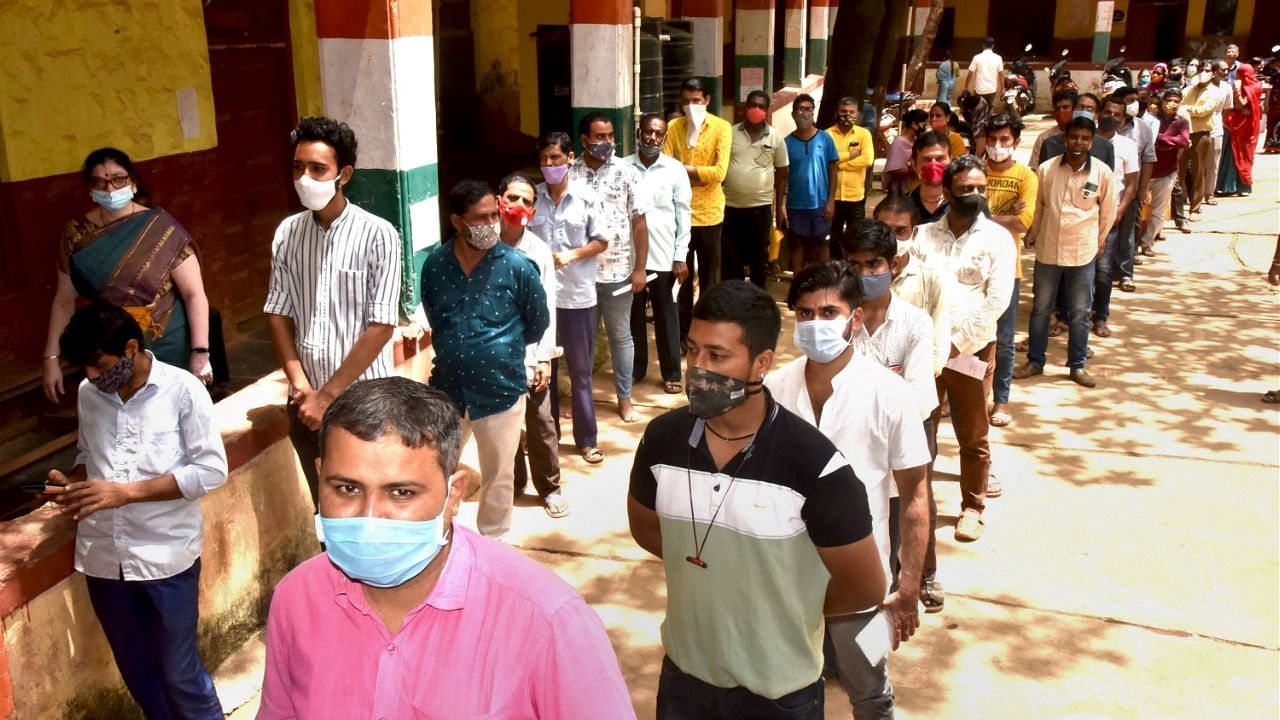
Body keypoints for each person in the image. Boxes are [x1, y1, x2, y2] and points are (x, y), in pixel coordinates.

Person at [258, 378, 634, 719]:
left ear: (453, 494)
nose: (370, 516)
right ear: (319, 476)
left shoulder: (548, 622)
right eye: (347, 489)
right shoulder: (296, 599)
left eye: (401, 493)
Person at [628, 281, 885, 719]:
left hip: (780, 695)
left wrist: (789, 603)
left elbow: (864, 586)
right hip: (684, 680)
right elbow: (649, 529)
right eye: (692, 351)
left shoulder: (815, 466)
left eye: (718, 355)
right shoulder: (662, 440)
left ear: (761, 363)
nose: (697, 368)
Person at [767, 260, 931, 719]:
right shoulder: (773, 391)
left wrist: (908, 587)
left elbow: (915, 497)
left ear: (855, 319)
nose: (814, 324)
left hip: (864, 582)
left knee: (870, 692)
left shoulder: (889, 394)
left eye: (828, 313)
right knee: (784, 689)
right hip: (783, 578)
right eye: (803, 314)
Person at [48, 302, 227, 719]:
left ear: (130, 348)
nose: (92, 376)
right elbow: (89, 456)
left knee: (179, 675)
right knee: (139, 674)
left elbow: (211, 471)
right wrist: (71, 483)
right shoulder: (89, 394)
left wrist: (126, 494)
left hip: (166, 558)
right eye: (84, 368)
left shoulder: (183, 390)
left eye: (99, 364)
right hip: (104, 560)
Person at [265, 116, 401, 507]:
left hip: (363, 402)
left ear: (343, 174)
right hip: (305, 404)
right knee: (326, 507)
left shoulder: (378, 234)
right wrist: (303, 388)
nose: (304, 177)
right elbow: (277, 312)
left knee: (371, 505)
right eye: (297, 167)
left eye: (317, 169)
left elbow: (381, 326)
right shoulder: (287, 233)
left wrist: (328, 396)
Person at [421, 179, 550, 540]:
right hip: (448, 392)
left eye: (495, 215)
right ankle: (436, 543)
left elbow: (537, 322)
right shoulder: (435, 265)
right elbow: (436, 318)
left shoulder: (518, 267)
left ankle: (493, 550)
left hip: (501, 391)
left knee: (498, 477)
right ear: (458, 223)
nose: (493, 224)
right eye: (481, 218)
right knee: (433, 472)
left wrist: (496, 350)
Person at [44, 148, 214, 405]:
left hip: (165, 338)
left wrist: (200, 353)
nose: (110, 189)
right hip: (109, 347)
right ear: (90, 189)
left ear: (133, 183)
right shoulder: (77, 235)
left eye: (118, 179)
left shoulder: (161, 228)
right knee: (120, 419)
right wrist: (51, 358)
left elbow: (194, 293)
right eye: (100, 182)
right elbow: (64, 300)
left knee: (173, 411)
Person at [915, 155, 1015, 543]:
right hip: (923, 351)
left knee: (972, 434)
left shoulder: (997, 239)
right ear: (947, 191)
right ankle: (918, 502)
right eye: (965, 189)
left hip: (969, 352)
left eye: (979, 188)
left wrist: (954, 345)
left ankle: (972, 507)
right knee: (921, 430)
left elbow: (997, 302)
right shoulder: (924, 237)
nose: (974, 195)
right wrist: (928, 345)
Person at [870, 194, 950, 611]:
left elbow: (940, 333)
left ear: (912, 233)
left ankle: (925, 573)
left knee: (917, 496)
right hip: (868, 415)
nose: (892, 239)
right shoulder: (859, 278)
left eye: (900, 232)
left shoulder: (928, 277)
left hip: (916, 407)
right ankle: (884, 572)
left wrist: (926, 380)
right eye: (884, 230)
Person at [1017, 117, 1117, 389]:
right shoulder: (1047, 169)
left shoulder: (1102, 173)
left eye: (1085, 138)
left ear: (1091, 142)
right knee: (1041, 309)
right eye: (1074, 137)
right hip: (1048, 250)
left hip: (1082, 252)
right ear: (1065, 138)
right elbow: (1038, 204)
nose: (1078, 143)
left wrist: (1099, 240)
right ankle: (1035, 361)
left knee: (1079, 312)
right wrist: (1033, 231)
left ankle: (1077, 365)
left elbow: (1108, 213)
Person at [528, 132, 608, 465]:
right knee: (543, 371)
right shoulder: (532, 198)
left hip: (577, 297)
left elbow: (601, 241)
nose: (550, 165)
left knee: (580, 372)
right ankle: (549, 438)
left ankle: (587, 439)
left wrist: (572, 255)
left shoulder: (587, 197)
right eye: (544, 159)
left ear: (569, 158)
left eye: (556, 159)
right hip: (541, 301)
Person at [569, 113, 651, 424]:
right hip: (580, 276)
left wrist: (640, 268)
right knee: (583, 342)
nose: (607, 142)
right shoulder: (570, 174)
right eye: (600, 137)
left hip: (618, 273)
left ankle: (625, 398)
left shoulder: (628, 173)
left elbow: (640, 224)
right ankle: (582, 400)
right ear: (585, 140)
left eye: (610, 136)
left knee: (620, 337)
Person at [495, 174, 569, 520]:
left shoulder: (538, 251)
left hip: (531, 354)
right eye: (513, 198)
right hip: (494, 355)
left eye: (527, 201)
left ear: (534, 209)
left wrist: (544, 359)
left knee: (540, 425)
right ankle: (514, 483)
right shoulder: (482, 245)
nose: (519, 206)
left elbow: (548, 309)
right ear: (499, 201)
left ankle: (550, 487)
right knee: (502, 427)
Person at [627, 112, 692, 395]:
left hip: (664, 255)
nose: (652, 138)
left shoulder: (675, 169)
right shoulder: (623, 167)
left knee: (667, 314)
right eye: (648, 132)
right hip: (630, 258)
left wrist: (681, 255)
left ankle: (671, 372)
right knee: (634, 316)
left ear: (664, 137)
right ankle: (637, 368)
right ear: (639, 133)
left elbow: (683, 214)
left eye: (658, 134)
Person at [663, 77, 733, 342]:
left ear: (707, 100)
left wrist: (685, 171)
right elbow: (666, 170)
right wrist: (694, 175)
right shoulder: (674, 127)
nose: (691, 106)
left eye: (696, 101)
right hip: (679, 215)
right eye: (686, 101)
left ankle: (708, 331)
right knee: (680, 276)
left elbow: (719, 173)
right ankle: (682, 333)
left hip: (710, 214)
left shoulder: (721, 128)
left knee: (709, 278)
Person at [982, 114, 1038, 428]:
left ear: (1015, 142)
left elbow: (1023, 222)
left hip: (1007, 269)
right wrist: (1000, 214)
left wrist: (982, 213)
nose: (998, 146)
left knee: (1004, 340)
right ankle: (966, 396)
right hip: (974, 267)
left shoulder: (1025, 177)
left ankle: (1001, 399)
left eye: (1004, 140)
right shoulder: (973, 170)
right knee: (968, 337)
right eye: (992, 140)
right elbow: (960, 212)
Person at [722, 90, 788, 287]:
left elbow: (782, 173)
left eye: (761, 106)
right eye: (752, 105)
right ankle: (733, 302)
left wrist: (779, 209)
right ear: (745, 108)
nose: (756, 109)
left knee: (758, 260)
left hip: (760, 210)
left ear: (766, 111)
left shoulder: (775, 138)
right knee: (731, 260)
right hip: (730, 208)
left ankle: (759, 304)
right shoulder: (730, 133)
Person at [1092, 97, 1140, 338]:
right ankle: (1066, 316)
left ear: (1123, 120)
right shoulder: (1086, 140)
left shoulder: (1127, 146)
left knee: (1103, 269)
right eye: (1107, 111)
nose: (1111, 117)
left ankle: (1100, 316)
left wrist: (1120, 211)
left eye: (1117, 114)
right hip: (1082, 214)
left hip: (1109, 216)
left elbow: (1131, 184)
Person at [780, 93, 839, 271]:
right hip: (796, 205)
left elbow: (834, 170)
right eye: (801, 109)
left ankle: (825, 286)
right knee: (797, 247)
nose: (805, 113)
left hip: (820, 204)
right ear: (793, 114)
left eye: (809, 109)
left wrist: (831, 202)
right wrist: (779, 207)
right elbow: (782, 176)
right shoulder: (787, 143)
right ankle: (798, 285)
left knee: (822, 246)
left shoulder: (825, 139)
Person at [1136, 90, 1191, 257]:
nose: (1171, 103)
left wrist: (1160, 139)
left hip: (1167, 171)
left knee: (1158, 211)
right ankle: (1134, 243)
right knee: (1137, 208)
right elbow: (1145, 140)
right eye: (1168, 100)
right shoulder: (1151, 120)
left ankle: (1147, 243)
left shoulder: (1182, 122)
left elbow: (1183, 140)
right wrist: (1169, 142)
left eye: (1176, 101)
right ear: (1162, 101)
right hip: (1146, 171)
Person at [1116, 85, 1157, 291]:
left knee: (1127, 234)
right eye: (1130, 99)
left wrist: (1143, 189)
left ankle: (1125, 273)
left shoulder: (1143, 128)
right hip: (1106, 190)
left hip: (1130, 190)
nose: (1135, 103)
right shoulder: (1106, 125)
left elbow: (1148, 160)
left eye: (1136, 99)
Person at [827, 96, 877, 259]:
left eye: (851, 112)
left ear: (858, 115)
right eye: (843, 111)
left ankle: (853, 266)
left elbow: (867, 160)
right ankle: (837, 266)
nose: (847, 115)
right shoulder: (827, 135)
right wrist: (850, 155)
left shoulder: (864, 135)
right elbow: (825, 160)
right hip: (832, 197)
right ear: (836, 112)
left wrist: (838, 164)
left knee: (855, 237)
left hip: (855, 196)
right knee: (833, 237)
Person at [1178, 63, 1226, 214]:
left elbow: (1204, 111)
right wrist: (1186, 109)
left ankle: (1195, 208)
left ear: (1213, 74)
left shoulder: (1214, 92)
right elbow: (1178, 106)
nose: (1203, 73)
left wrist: (1186, 109)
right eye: (1201, 70)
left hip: (1200, 134)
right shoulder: (1187, 90)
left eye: (1207, 70)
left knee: (1198, 171)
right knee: (1179, 171)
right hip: (1183, 132)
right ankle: (1177, 208)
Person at [1038, 93, 1117, 170]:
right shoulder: (1050, 144)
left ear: (1097, 114)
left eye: (1090, 109)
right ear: (1072, 110)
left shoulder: (1106, 147)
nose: (1084, 111)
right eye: (1081, 107)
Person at [1218, 60, 1261, 197]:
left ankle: (1228, 186)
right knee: (1245, 154)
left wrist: (1236, 88)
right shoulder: (1257, 85)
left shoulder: (1245, 86)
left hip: (1238, 125)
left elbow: (1240, 104)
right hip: (1249, 125)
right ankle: (1243, 187)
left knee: (1233, 154)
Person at [909, 131, 954, 224]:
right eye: (927, 160)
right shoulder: (901, 206)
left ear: (951, 161)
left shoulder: (964, 205)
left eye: (940, 159)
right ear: (914, 164)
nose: (934, 165)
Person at [882, 109, 929, 194]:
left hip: (913, 188)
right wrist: (914, 170)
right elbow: (892, 169)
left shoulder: (916, 141)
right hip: (899, 189)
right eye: (924, 125)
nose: (925, 128)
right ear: (914, 124)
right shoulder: (899, 142)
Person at [1029, 89, 1078, 167]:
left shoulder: (1084, 137)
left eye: (1065, 107)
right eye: (1057, 108)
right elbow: (1035, 168)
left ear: (1074, 109)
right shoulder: (1044, 138)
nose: (1061, 111)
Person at [1205, 61, 1230, 202]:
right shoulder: (1202, 86)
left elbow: (1227, 109)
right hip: (1200, 127)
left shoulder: (1226, 88)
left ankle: (1209, 193)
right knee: (1199, 163)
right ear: (1214, 71)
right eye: (1223, 70)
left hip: (1217, 127)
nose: (1226, 72)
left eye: (1227, 70)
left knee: (1213, 163)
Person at [965, 36, 1004, 110]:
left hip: (979, 90)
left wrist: (966, 87)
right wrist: (1002, 89)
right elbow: (1001, 75)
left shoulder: (977, 57)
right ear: (993, 46)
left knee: (979, 110)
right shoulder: (998, 58)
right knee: (989, 108)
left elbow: (970, 73)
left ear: (983, 45)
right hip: (992, 89)